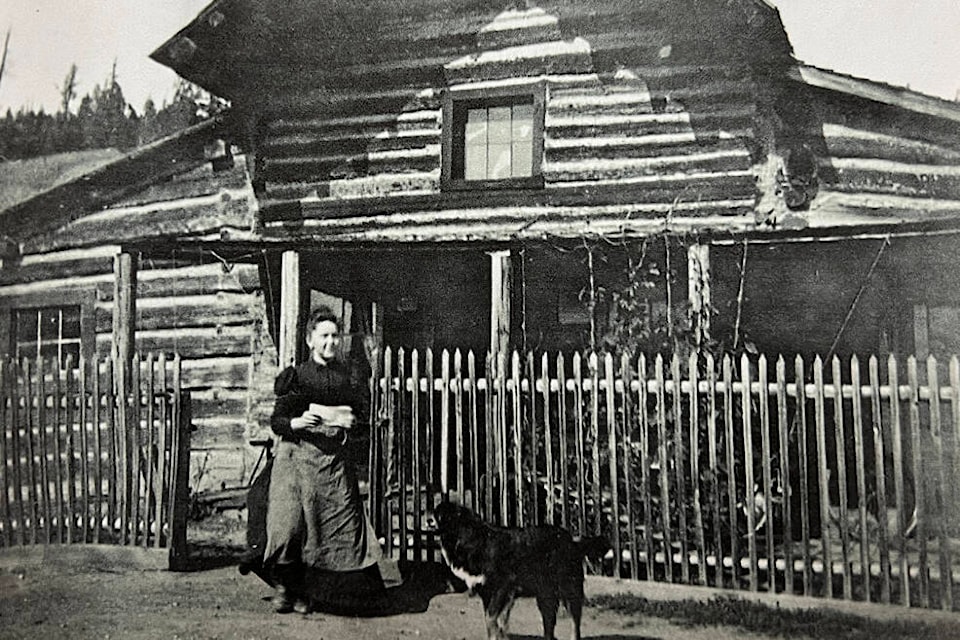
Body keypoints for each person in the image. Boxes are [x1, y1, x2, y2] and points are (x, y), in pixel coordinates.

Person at [262, 306, 382, 614]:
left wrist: (350, 423)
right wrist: (295, 424)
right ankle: (286, 587)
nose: (331, 342)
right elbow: (277, 421)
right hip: (296, 456)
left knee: (329, 533)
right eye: (324, 336)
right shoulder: (297, 377)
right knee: (288, 527)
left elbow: (362, 423)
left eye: (335, 336)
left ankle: (309, 592)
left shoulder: (348, 377)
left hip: (332, 462)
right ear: (310, 340)